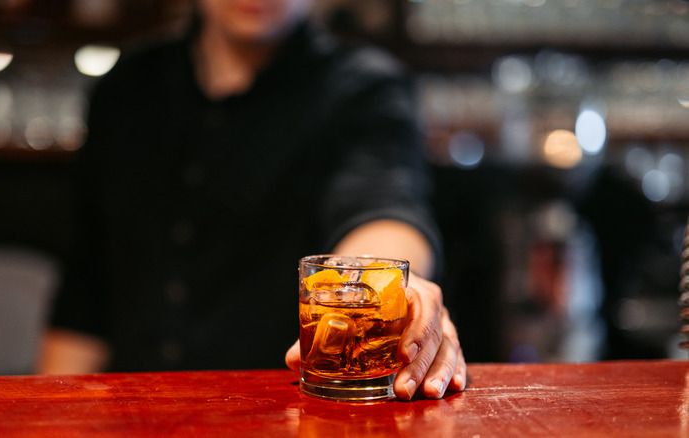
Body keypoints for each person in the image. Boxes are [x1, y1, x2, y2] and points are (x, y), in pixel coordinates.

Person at [37, 0, 466, 400]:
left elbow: (383, 205)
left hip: (280, 411)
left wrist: (390, 294)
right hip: (131, 409)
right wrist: (52, 411)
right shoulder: (126, 87)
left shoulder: (364, 87)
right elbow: (86, 290)